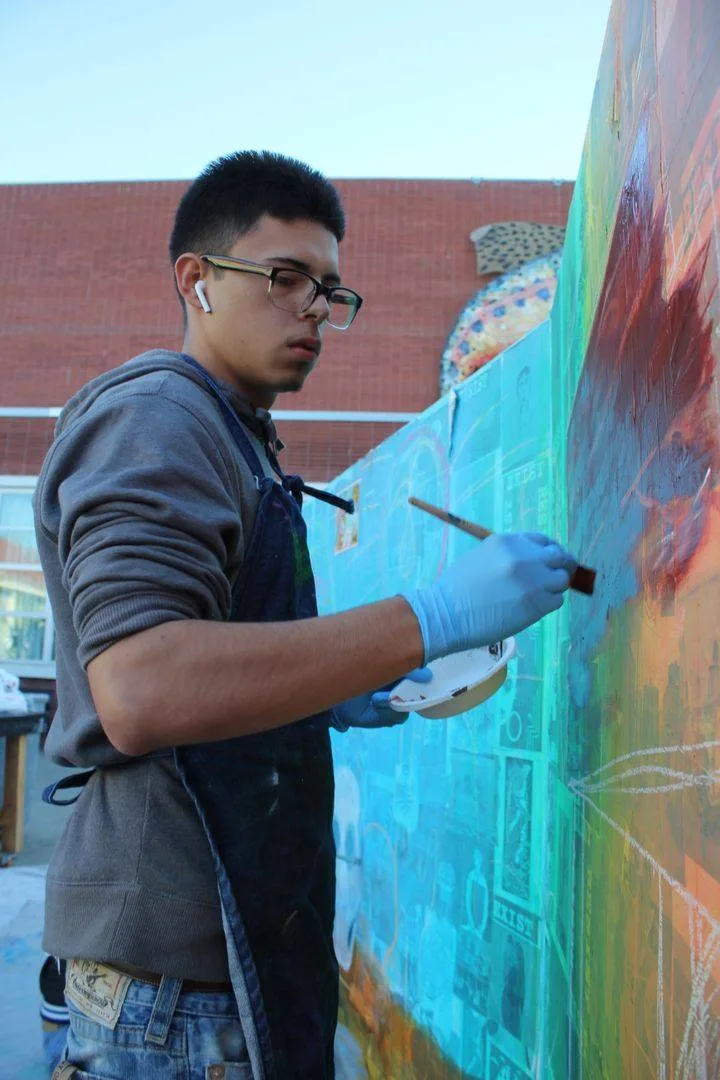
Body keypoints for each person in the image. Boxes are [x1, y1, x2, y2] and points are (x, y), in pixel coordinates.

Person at [35, 150, 576, 1080]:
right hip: (174, 996)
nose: (316, 309)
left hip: (213, 971)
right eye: (285, 278)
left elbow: (208, 659)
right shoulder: (162, 417)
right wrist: (435, 613)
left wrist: (328, 694)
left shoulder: (232, 430)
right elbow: (140, 687)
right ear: (195, 281)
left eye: (330, 288)